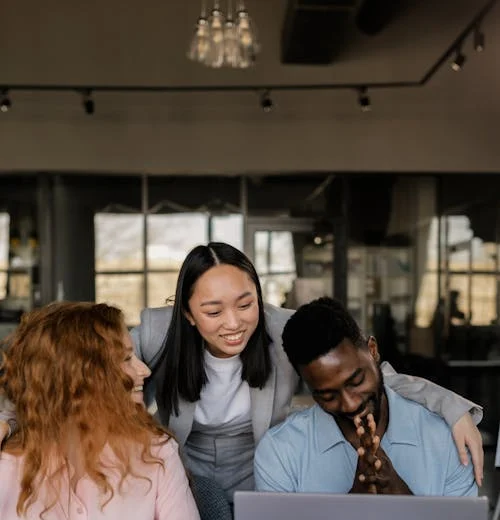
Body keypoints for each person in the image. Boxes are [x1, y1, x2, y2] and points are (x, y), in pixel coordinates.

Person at [0, 243, 484, 506]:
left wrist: (452, 408)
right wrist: (8, 418)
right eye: (212, 311)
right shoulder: (154, 333)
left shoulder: (283, 329)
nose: (234, 323)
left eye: (246, 303)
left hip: (257, 465)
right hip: (184, 467)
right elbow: (68, 367)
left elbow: (366, 373)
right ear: (187, 314)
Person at [254, 297, 477, 496]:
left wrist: (402, 500)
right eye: (328, 395)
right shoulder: (280, 452)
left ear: (372, 350)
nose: (350, 404)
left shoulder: (447, 440)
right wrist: (355, 507)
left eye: (356, 381)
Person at [0, 302, 200, 520]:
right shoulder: (8, 466)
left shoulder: (157, 453)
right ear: (78, 377)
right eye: (126, 359)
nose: (145, 370)